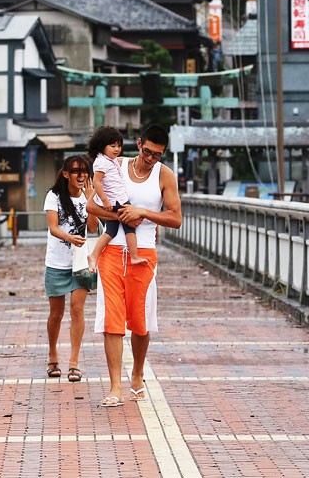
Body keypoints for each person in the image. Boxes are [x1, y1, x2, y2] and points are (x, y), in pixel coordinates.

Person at [86, 124, 182, 407]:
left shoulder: (165, 175)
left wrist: (141, 212)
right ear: (139, 144)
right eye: (148, 152)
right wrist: (119, 214)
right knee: (111, 320)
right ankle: (116, 386)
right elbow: (91, 205)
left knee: (140, 322)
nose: (151, 159)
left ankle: (137, 373)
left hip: (144, 254)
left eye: (158, 155)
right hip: (113, 252)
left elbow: (176, 218)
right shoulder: (115, 164)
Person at [43, 154, 98, 383]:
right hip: (57, 261)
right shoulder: (53, 196)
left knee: (77, 309)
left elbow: (93, 227)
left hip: (80, 262)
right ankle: (53, 354)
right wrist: (70, 237)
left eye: (84, 171)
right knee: (56, 313)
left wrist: (92, 201)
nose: (81, 175)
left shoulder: (88, 197)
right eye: (75, 171)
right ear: (65, 174)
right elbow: (53, 228)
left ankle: (74, 362)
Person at [86, 126, 146, 270]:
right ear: (101, 146)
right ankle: (134, 256)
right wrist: (105, 200)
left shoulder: (108, 160)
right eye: (112, 146)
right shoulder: (101, 162)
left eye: (119, 146)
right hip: (117, 200)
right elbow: (96, 182)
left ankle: (94, 255)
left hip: (116, 198)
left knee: (110, 231)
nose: (117, 149)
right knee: (130, 227)